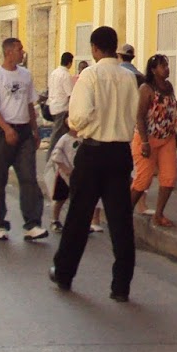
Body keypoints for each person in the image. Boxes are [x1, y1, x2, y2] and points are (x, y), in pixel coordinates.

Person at [50, 25, 137, 301]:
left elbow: (79, 115)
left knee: (78, 215)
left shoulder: (90, 74)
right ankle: (121, 285)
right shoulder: (128, 78)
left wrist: (75, 125)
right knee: (121, 220)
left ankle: (64, 272)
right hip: (120, 152)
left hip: (93, 151)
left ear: (95, 49)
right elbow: (134, 114)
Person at [0, 37, 47, 241]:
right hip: (2, 132)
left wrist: (35, 130)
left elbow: (30, 104)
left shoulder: (26, 75)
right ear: (9, 52)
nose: (22, 52)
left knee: (28, 177)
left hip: (24, 130)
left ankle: (32, 223)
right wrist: (6, 128)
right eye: (19, 49)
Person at [131, 54, 177, 227]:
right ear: (153, 70)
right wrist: (144, 142)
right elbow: (140, 116)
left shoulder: (168, 86)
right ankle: (124, 212)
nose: (167, 69)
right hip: (148, 139)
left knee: (169, 177)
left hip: (167, 138)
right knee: (144, 179)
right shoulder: (146, 89)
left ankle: (159, 214)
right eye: (162, 66)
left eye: (167, 65)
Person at [47, 51, 74, 152]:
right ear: (69, 63)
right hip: (62, 108)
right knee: (57, 135)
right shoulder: (65, 75)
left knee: (61, 134)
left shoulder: (54, 73)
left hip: (53, 106)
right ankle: (51, 156)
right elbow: (70, 94)